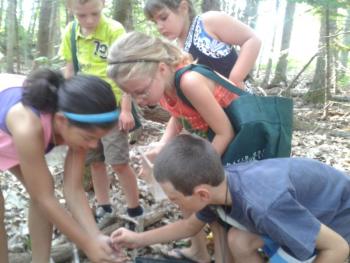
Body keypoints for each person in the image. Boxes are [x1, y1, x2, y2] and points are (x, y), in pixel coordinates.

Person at [107, 31, 244, 262]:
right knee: (183, 192)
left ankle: (223, 257)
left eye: (140, 92)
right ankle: (198, 250)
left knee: (212, 205)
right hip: (214, 141)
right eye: (130, 95)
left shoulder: (189, 81)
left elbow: (225, 131)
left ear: (161, 68)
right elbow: (178, 113)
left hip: (237, 144)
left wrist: (201, 171)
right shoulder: (163, 84)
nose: (138, 100)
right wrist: (163, 143)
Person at [111, 134, 350, 263]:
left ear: (201, 194)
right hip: (298, 210)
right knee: (237, 239)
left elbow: (338, 247)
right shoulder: (220, 187)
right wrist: (137, 239)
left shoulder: (265, 205)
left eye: (175, 200)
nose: (174, 205)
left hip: (334, 220)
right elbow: (188, 226)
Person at [0, 69, 125, 263]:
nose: (93, 145)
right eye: (89, 138)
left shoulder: (78, 121)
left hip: (9, 137)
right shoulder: (28, 125)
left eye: (97, 139)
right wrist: (87, 245)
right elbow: (44, 198)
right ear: (60, 120)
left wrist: (95, 237)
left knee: (43, 186)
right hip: (12, 130)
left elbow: (73, 189)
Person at [60, 0, 143, 226]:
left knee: (118, 162)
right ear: (71, 9)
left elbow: (124, 72)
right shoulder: (71, 32)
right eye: (82, 15)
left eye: (95, 14)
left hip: (112, 107)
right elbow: (70, 68)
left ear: (104, 4)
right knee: (95, 161)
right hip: (84, 109)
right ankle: (104, 206)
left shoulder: (114, 30)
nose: (89, 21)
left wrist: (126, 109)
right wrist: (65, 103)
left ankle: (135, 209)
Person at [144, 0, 261, 88]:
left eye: (163, 18)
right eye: (155, 22)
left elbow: (252, 39)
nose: (159, 27)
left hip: (244, 105)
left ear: (183, 7)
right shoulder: (174, 50)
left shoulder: (207, 22)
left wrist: (235, 79)